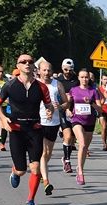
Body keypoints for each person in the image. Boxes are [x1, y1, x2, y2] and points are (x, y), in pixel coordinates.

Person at [0, 53, 55, 205]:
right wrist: (2, 118)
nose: (27, 63)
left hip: (35, 130)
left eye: (30, 61)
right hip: (16, 130)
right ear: (18, 66)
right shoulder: (10, 85)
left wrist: (49, 111)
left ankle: (30, 201)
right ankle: (15, 171)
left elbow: (49, 105)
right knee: (22, 170)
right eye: (23, 61)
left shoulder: (41, 87)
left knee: (35, 168)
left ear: (34, 66)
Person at [37, 61, 68, 195]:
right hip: (38, 121)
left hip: (54, 123)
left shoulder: (57, 84)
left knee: (48, 153)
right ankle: (46, 182)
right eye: (44, 70)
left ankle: (39, 170)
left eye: (49, 70)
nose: (46, 73)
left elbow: (66, 102)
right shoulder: (35, 84)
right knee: (43, 153)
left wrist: (59, 107)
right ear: (39, 71)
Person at [69, 69, 103, 185]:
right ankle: (81, 172)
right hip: (76, 120)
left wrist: (91, 103)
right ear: (78, 78)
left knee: (84, 148)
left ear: (89, 78)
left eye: (86, 77)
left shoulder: (93, 91)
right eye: (82, 77)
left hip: (90, 122)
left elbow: (100, 109)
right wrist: (68, 111)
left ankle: (79, 167)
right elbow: (68, 104)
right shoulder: (73, 90)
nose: (84, 79)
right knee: (82, 144)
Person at [57, 59, 79, 173]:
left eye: (70, 70)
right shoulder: (57, 81)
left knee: (72, 139)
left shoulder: (76, 80)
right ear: (62, 68)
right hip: (63, 110)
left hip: (75, 111)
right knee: (68, 136)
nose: (68, 72)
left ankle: (65, 157)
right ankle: (67, 161)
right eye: (65, 69)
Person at [98, 74, 107, 150]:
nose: (106, 81)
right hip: (102, 110)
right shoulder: (99, 89)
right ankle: (104, 144)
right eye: (104, 79)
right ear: (101, 80)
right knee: (104, 127)